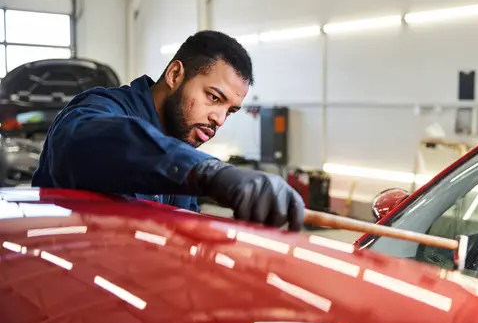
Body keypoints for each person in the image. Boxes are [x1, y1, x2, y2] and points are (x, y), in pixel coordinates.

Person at [32, 30, 305, 231]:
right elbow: (84, 141)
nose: (219, 119)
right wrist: (209, 172)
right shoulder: (102, 108)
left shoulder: (181, 148)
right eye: (213, 97)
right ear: (175, 75)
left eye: (230, 111)